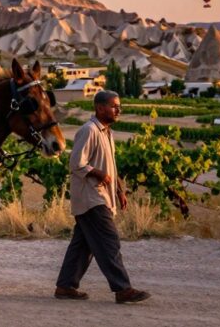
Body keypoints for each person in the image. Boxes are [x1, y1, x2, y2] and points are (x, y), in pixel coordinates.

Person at [54, 90, 151, 304]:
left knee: (83, 244)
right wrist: (99, 174)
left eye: (119, 106)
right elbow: (75, 163)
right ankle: (122, 289)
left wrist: (119, 190)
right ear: (99, 108)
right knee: (109, 241)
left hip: (102, 196)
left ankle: (65, 286)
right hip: (91, 197)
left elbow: (111, 167)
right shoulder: (89, 130)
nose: (119, 110)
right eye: (114, 106)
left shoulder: (107, 132)